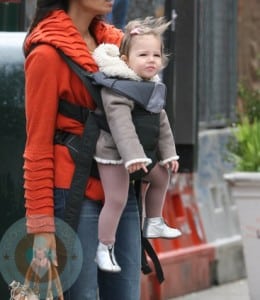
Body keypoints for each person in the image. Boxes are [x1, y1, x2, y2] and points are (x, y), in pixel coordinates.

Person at [23, 1, 141, 299]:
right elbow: (36, 146)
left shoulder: (117, 47)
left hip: (120, 193)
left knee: (126, 293)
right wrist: (41, 227)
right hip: (74, 195)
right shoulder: (47, 54)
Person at [92, 17, 182, 272]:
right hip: (114, 154)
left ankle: (154, 220)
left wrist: (169, 155)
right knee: (117, 199)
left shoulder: (150, 86)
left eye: (156, 54)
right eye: (143, 54)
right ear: (125, 59)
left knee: (162, 176)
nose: (151, 60)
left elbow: (160, 122)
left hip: (139, 155)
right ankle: (104, 247)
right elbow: (121, 124)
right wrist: (132, 157)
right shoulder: (118, 88)